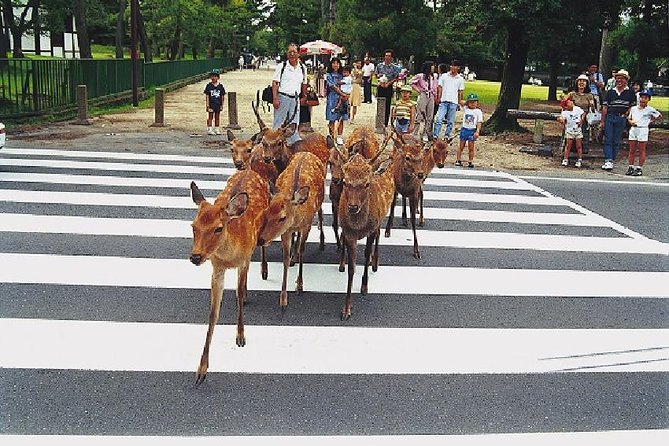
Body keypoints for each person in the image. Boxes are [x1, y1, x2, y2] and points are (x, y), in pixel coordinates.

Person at [271, 43, 308, 146]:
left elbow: (304, 83)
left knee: (294, 121)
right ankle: (274, 142)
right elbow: (275, 82)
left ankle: (293, 143)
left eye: (294, 52)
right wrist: (275, 98)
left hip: (295, 98)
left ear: (298, 54)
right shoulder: (281, 67)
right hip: (283, 96)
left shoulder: (302, 68)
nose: (292, 54)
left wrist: (304, 96)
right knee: (279, 121)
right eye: (290, 52)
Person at [600, 69, 636, 171]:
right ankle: (608, 160)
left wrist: (626, 115)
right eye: (617, 78)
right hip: (610, 117)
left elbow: (632, 106)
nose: (619, 80)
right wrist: (602, 121)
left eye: (621, 78)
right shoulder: (610, 92)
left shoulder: (630, 92)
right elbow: (605, 107)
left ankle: (612, 159)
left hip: (621, 118)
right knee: (608, 139)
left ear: (626, 80)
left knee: (616, 140)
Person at [626, 89, 663, 176]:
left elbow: (659, 115)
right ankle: (630, 166)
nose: (642, 100)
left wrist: (650, 121)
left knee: (641, 149)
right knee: (632, 149)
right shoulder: (634, 108)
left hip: (642, 129)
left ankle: (639, 168)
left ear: (648, 99)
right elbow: (629, 118)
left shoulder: (649, 109)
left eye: (645, 98)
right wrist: (630, 122)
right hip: (634, 129)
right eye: (641, 97)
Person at [433, 59, 465, 142]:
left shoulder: (460, 79)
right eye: (453, 66)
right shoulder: (444, 76)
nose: (454, 68)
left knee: (450, 121)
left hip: (453, 101)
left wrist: (459, 102)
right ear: (451, 66)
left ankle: (447, 136)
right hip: (444, 100)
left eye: (456, 66)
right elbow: (440, 87)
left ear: (458, 68)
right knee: (439, 119)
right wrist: (439, 97)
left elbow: (460, 91)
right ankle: (435, 135)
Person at [410, 60, 438, 141]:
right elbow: (411, 82)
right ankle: (415, 132)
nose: (433, 68)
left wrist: (435, 96)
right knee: (419, 114)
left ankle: (425, 133)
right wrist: (418, 90)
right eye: (432, 66)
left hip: (431, 96)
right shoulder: (420, 76)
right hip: (423, 95)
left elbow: (435, 86)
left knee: (430, 116)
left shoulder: (434, 77)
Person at [455, 92, 483, 168]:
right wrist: (467, 103)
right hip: (464, 129)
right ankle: (458, 159)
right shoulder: (466, 109)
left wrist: (477, 131)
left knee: (471, 147)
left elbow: (479, 122)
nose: (472, 104)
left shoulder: (478, 111)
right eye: (471, 102)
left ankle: (470, 161)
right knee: (461, 145)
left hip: (472, 130)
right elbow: (460, 102)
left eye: (474, 102)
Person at [568, 74, 595, 151]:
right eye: (580, 81)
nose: (581, 83)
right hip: (573, 117)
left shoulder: (589, 95)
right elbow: (565, 106)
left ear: (587, 84)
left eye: (584, 81)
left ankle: (583, 150)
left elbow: (593, 111)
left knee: (583, 134)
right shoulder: (572, 94)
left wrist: (592, 105)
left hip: (585, 118)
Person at [325, 58, 349, 145]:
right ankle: (331, 136)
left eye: (337, 63)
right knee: (332, 118)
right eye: (334, 63)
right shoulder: (328, 75)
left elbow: (347, 84)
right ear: (331, 64)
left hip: (343, 98)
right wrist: (342, 94)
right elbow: (332, 86)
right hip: (332, 98)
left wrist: (346, 95)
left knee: (341, 118)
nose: (336, 65)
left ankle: (339, 136)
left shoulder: (342, 75)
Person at [375, 49, 401, 126]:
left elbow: (396, 77)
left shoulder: (394, 67)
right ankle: (379, 121)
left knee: (387, 105)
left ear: (391, 58)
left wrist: (389, 83)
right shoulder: (379, 65)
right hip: (380, 86)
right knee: (380, 104)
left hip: (388, 87)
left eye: (389, 56)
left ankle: (385, 123)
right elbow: (376, 74)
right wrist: (379, 78)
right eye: (386, 55)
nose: (387, 57)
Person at [557, 96, 585, 168]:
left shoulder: (577, 109)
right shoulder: (565, 112)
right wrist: (561, 120)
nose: (571, 103)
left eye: (571, 102)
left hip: (577, 129)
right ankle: (565, 159)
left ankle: (579, 159)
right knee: (568, 145)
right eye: (569, 103)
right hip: (569, 130)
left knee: (579, 145)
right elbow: (561, 118)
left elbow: (583, 113)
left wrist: (581, 121)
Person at [203, 69, 225, 135]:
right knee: (210, 117)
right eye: (212, 76)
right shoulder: (209, 86)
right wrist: (207, 105)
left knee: (217, 117)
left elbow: (222, 96)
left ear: (218, 77)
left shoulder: (220, 86)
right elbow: (207, 95)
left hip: (218, 103)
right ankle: (210, 128)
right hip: (211, 103)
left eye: (215, 76)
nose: (213, 78)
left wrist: (222, 105)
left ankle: (217, 128)